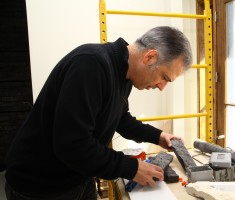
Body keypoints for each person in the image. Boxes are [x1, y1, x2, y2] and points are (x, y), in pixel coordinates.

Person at [5, 26, 193, 200]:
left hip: (78, 176)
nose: (162, 87)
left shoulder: (124, 74)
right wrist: (131, 168)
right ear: (150, 57)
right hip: (41, 185)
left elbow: (120, 118)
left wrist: (158, 136)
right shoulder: (90, 64)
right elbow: (72, 144)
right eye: (164, 77)